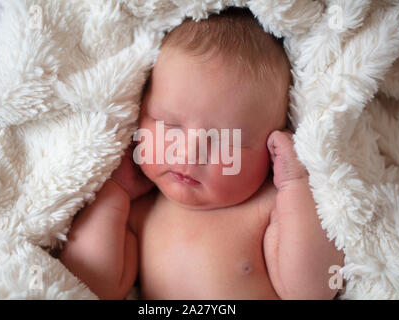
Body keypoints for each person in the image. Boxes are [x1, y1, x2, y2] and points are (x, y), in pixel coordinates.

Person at [59, 7, 344, 300]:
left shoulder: (267, 207)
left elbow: (313, 291)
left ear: (270, 152)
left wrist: (296, 184)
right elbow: (88, 284)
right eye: (169, 125)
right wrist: (113, 194)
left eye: (223, 141)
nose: (189, 154)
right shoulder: (141, 212)